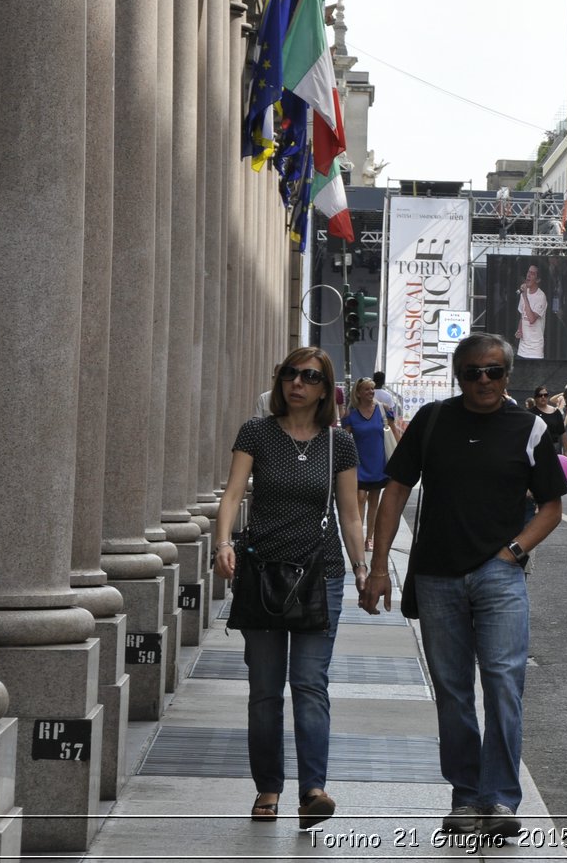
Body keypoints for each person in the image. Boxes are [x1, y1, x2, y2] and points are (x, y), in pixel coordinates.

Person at [360, 334, 567, 840]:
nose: (483, 381)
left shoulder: (530, 427)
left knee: (502, 684)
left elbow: (551, 507)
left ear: (507, 376)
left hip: (500, 574)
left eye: (493, 371)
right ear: (458, 374)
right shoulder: (432, 421)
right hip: (435, 576)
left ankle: (498, 797)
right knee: (452, 692)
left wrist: (514, 552)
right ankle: (465, 794)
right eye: (473, 371)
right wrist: (380, 565)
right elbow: (396, 490)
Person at [216, 347, 366, 828]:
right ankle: (268, 788)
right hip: (262, 574)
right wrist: (222, 542)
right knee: (264, 691)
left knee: (309, 683)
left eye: (308, 376)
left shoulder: (337, 444)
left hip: (320, 575)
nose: (296, 383)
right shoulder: (256, 432)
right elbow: (234, 492)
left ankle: (313, 790)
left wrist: (364, 568)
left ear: (324, 389)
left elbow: (350, 512)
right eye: (289, 374)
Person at [342, 377, 396, 551]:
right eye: (367, 389)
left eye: (372, 389)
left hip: (378, 462)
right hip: (359, 463)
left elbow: (395, 435)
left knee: (374, 500)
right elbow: (344, 439)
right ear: (358, 393)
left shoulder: (383, 410)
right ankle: (358, 536)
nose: (371, 392)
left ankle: (369, 538)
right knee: (360, 497)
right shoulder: (351, 415)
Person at [514, 263, 548, 360]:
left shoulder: (541, 296)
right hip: (522, 349)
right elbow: (522, 316)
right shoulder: (523, 295)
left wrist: (525, 296)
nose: (528, 275)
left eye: (532, 273)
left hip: (535, 351)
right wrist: (519, 330)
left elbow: (532, 319)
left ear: (538, 279)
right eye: (528, 272)